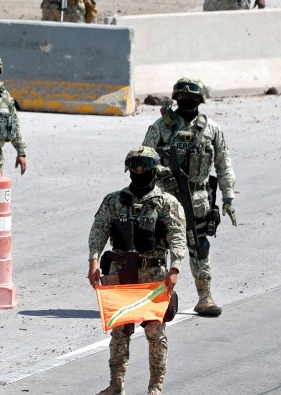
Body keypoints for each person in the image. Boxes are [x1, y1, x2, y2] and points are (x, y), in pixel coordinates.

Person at [88, 147, 187, 395]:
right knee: (119, 333)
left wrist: (174, 268)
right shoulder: (114, 200)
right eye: (135, 167)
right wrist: (93, 259)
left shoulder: (166, 203)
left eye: (144, 167)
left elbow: (178, 237)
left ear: (154, 169)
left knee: (155, 333)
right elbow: (99, 231)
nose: (139, 171)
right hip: (121, 275)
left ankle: (155, 388)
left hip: (153, 277)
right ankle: (116, 385)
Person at [142, 77, 237, 317]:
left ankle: (205, 297)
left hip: (198, 198)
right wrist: (164, 174)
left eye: (192, 98)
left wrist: (228, 197)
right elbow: (144, 160)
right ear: (175, 99)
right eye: (182, 98)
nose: (186, 101)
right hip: (166, 198)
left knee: (199, 245)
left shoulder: (211, 129)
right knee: (158, 247)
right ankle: (158, 299)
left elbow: (223, 164)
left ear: (200, 100)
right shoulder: (161, 127)